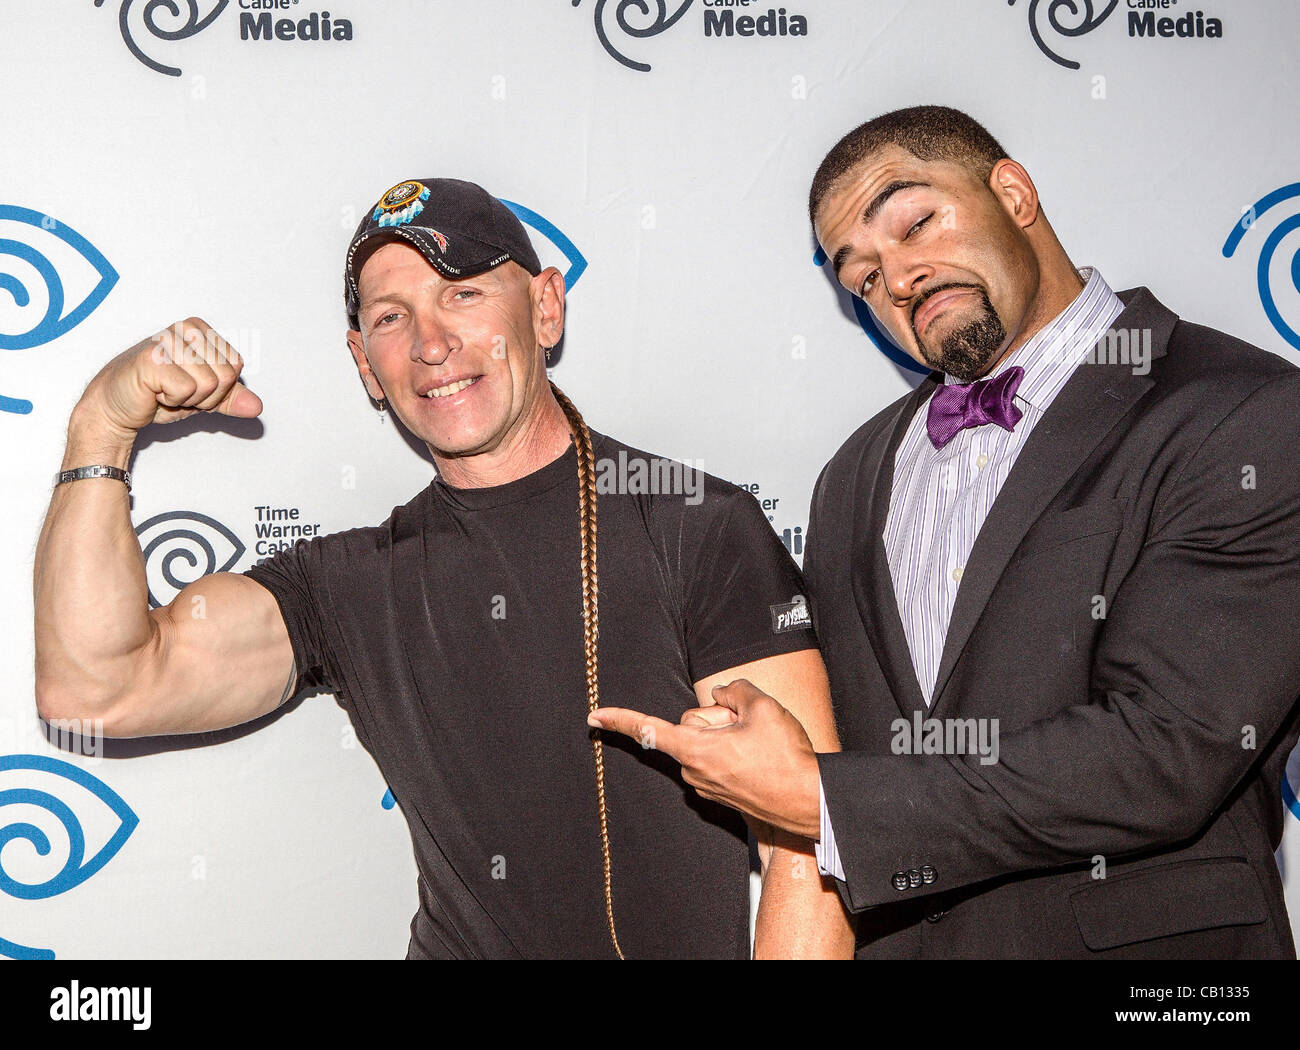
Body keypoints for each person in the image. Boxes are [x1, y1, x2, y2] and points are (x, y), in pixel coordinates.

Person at [33, 177, 853, 959]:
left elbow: (811, 844)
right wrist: (100, 427)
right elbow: (96, 689)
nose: (431, 343)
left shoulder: (695, 526)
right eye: (392, 317)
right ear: (365, 364)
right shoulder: (350, 582)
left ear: (544, 307)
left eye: (463, 292)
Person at [590, 106, 1300, 958]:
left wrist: (820, 799)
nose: (896, 278)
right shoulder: (854, 473)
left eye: (916, 221)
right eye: (860, 277)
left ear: (1013, 191)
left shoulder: (1242, 410)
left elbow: (1166, 752)